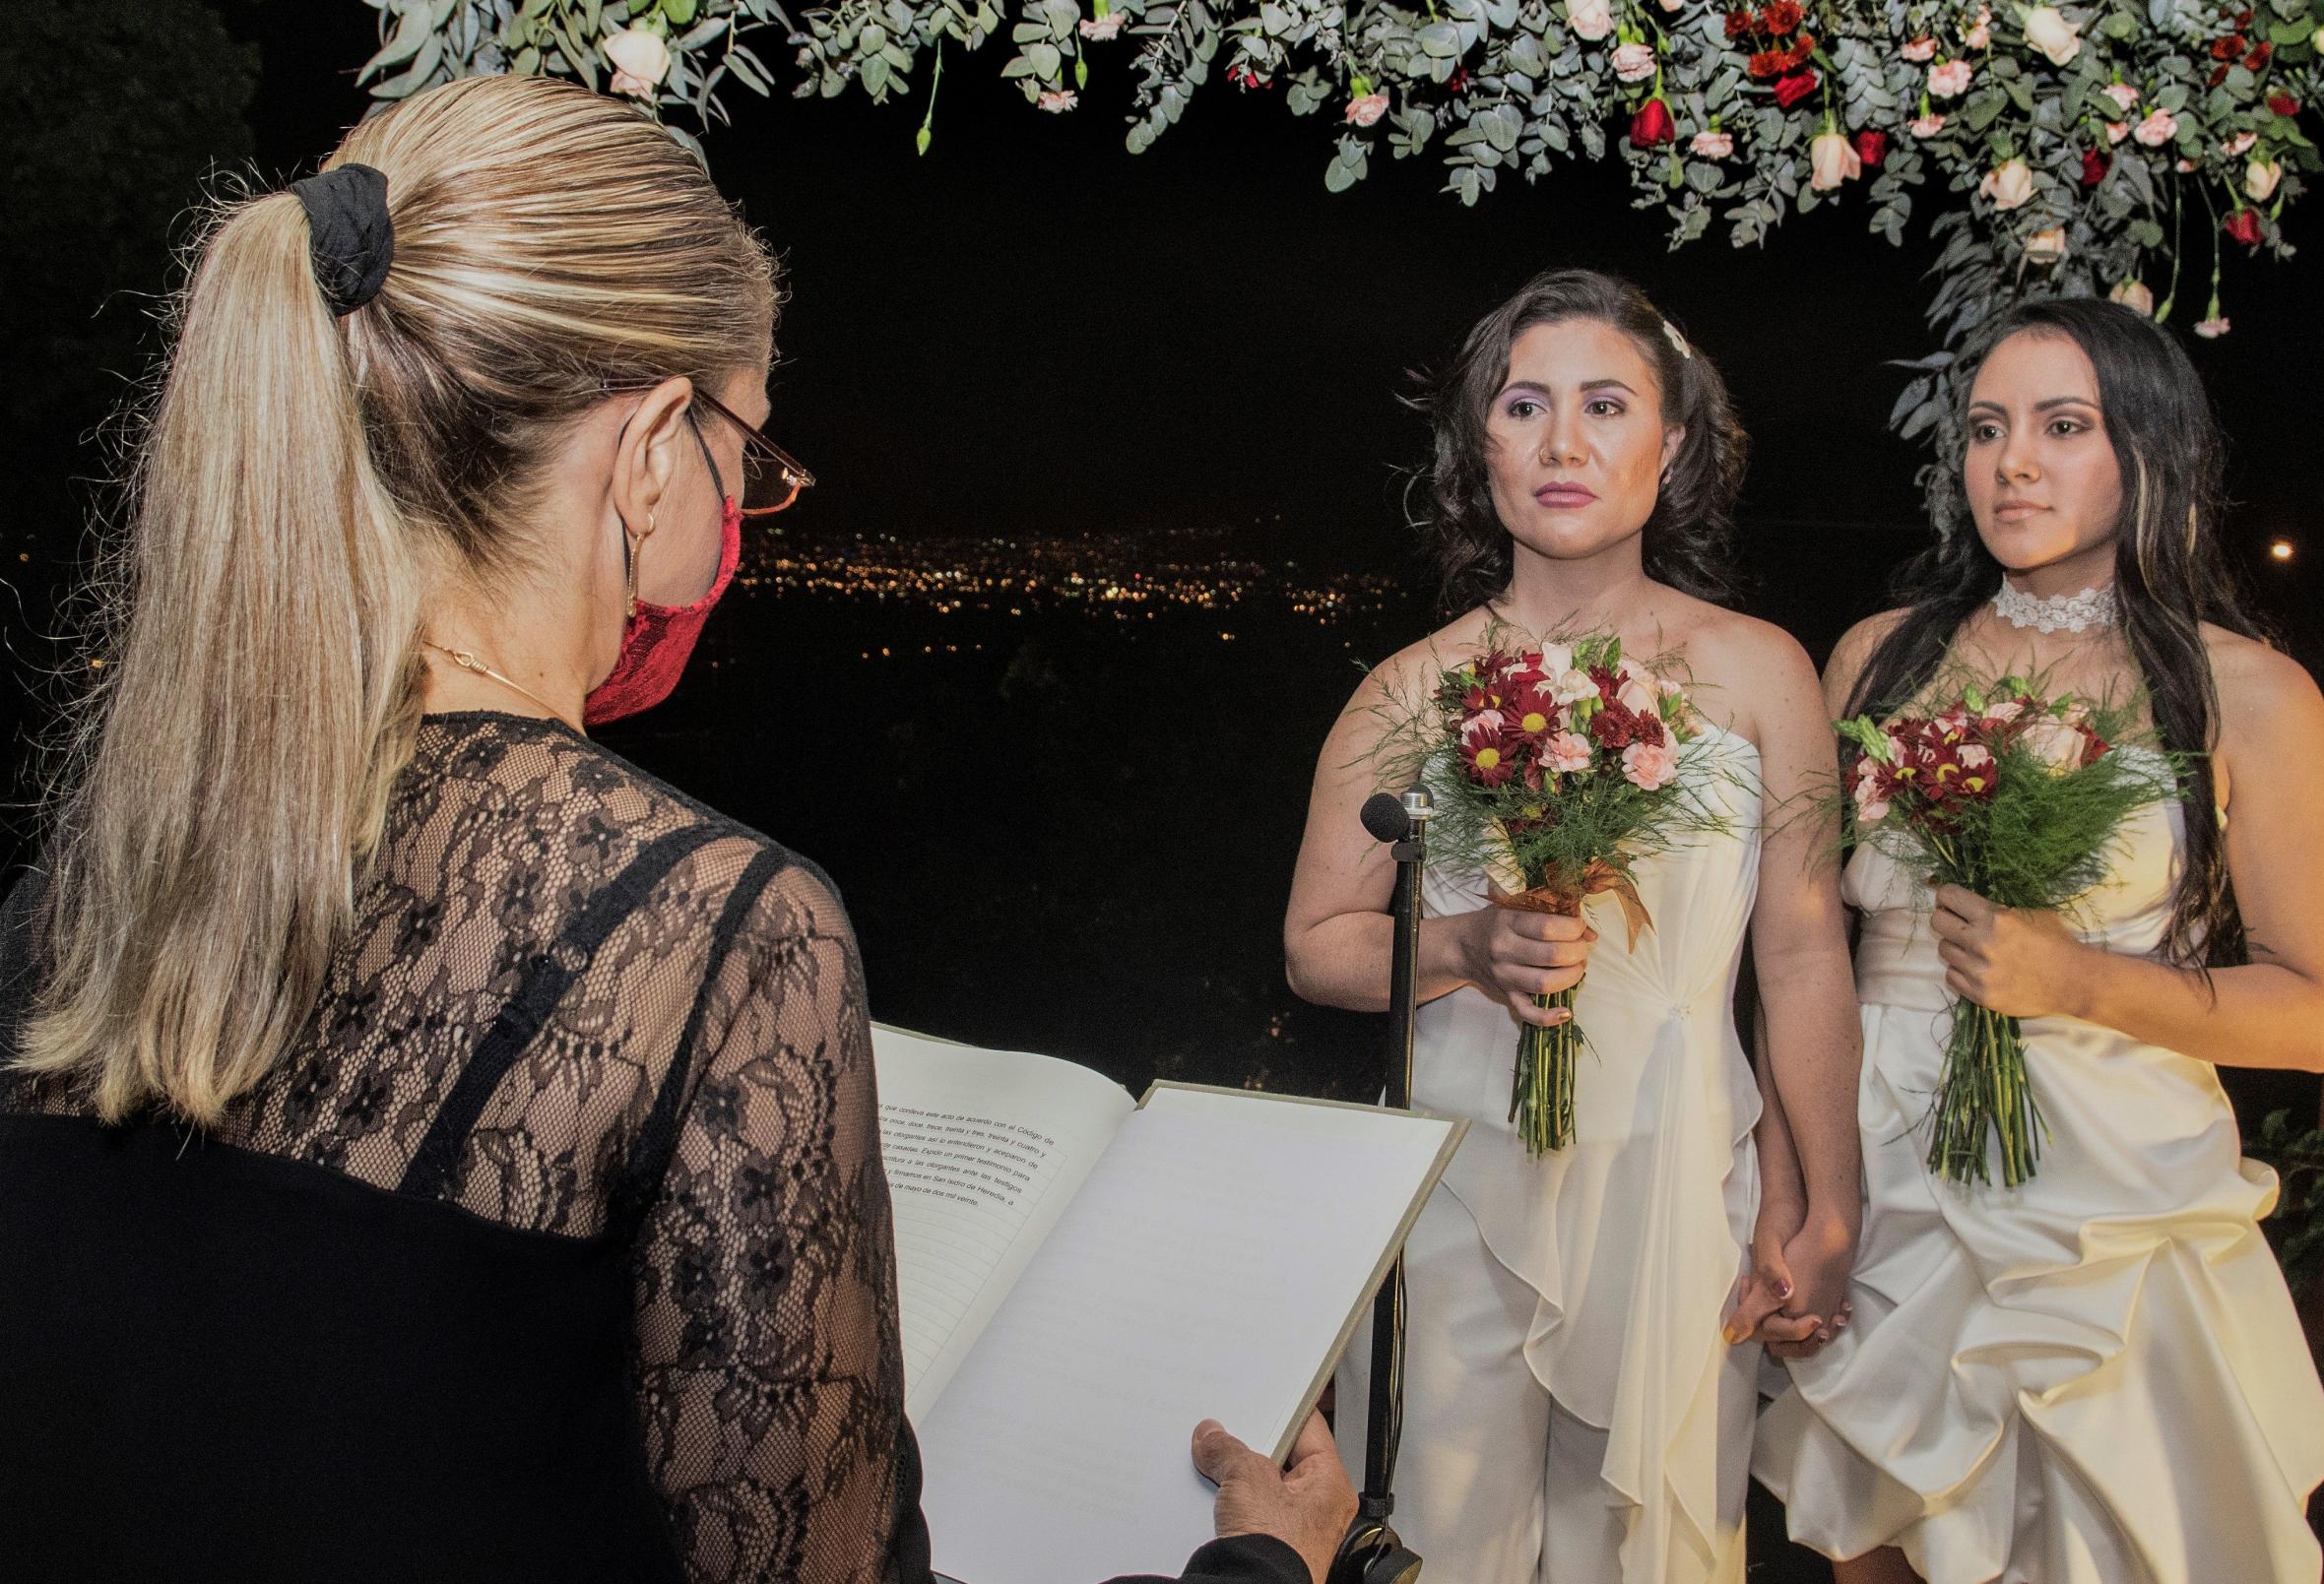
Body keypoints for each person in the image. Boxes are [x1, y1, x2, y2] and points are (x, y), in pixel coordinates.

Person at [0, 74, 1350, 1584]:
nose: (739, 521)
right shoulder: (707, 927)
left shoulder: (95, 882)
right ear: (649, 449)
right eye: (748, 458)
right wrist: (1257, 1569)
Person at [1752, 295, 2324, 1583]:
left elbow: (2317, 1016)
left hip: (2112, 1210)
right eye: (1985, 429)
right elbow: (1806, 961)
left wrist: (2075, 977)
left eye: (2061, 425)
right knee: (1884, 1548)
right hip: (1893, 1189)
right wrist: (1796, 1193)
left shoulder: (2248, 689)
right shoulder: (1876, 658)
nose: (2010, 461)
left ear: (2150, 451)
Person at [1282, 268, 1863, 1583]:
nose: (1561, 441)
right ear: (1476, 445)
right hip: (1451, 1193)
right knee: (1438, 1536)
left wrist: (1823, 1195)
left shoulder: (1765, 670)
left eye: (1606, 404)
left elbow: (1803, 952)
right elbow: (1315, 941)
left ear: (1674, 444)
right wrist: (1462, 949)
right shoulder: (1407, 688)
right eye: (1522, 404)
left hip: (1678, 1189)